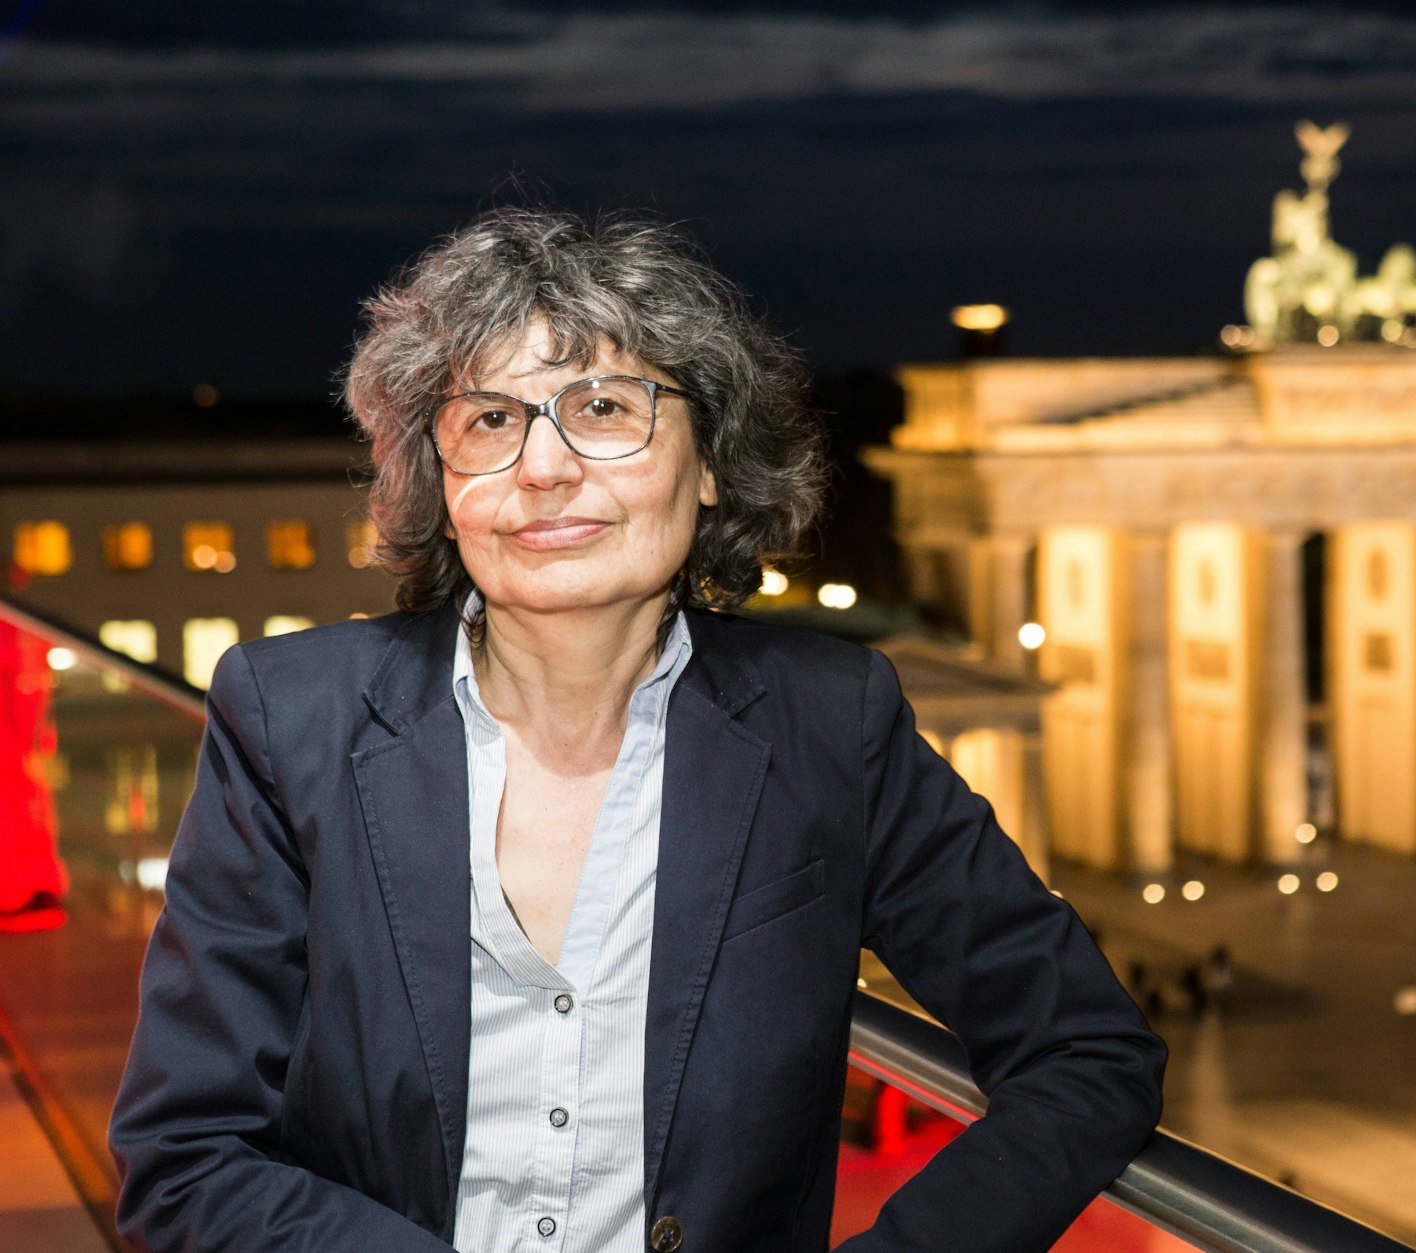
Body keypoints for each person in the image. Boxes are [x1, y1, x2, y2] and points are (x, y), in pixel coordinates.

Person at [107, 207, 1166, 1253]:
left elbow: (1086, 1050)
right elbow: (184, 1157)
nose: (543, 467)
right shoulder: (288, 718)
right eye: (490, 420)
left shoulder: (829, 726)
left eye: (604, 406)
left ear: (709, 464)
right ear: (441, 481)